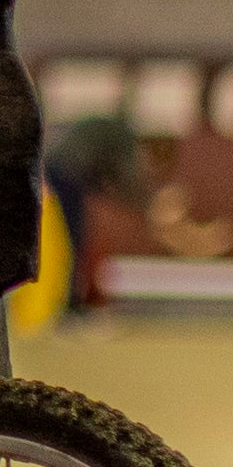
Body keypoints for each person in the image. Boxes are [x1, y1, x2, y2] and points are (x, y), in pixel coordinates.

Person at [37, 107, 144, 319]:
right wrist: (146, 209)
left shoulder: (106, 133)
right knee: (73, 238)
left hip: (58, 172)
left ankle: (68, 302)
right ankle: (69, 304)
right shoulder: (124, 142)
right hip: (63, 175)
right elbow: (125, 183)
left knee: (72, 238)